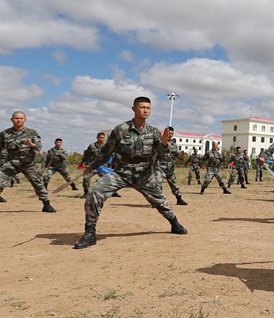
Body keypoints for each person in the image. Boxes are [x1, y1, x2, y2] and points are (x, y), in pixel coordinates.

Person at [73, 97, 187, 249]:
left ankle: (174, 223)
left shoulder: (153, 132)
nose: (145, 110)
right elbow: (106, 152)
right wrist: (92, 166)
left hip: (145, 175)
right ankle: (90, 233)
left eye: (148, 108)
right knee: (95, 192)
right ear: (133, 109)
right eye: (142, 107)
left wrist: (165, 143)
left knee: (159, 202)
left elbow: (162, 153)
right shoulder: (121, 129)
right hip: (122, 173)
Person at [0, 111, 56, 217]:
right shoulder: (4, 134)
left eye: (21, 118)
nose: (18, 120)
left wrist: (32, 145)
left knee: (38, 183)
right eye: (16, 118)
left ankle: (46, 205)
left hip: (29, 163)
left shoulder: (32, 132)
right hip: (11, 163)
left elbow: (39, 147)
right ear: (12, 120)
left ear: (25, 120)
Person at [158, 129, 188, 205]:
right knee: (158, 183)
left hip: (170, 168)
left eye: (171, 133)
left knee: (173, 184)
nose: (170, 135)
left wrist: (182, 156)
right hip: (160, 167)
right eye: (168, 133)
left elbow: (179, 156)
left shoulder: (174, 146)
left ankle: (179, 199)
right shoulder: (159, 143)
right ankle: (158, 201)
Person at [81, 132, 106, 198]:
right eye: (100, 138)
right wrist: (83, 163)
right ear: (97, 138)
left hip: (102, 166)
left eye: (103, 138)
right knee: (86, 178)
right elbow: (86, 155)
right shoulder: (92, 146)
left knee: (109, 178)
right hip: (90, 166)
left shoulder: (106, 146)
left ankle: (113, 192)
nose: (102, 139)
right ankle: (86, 192)